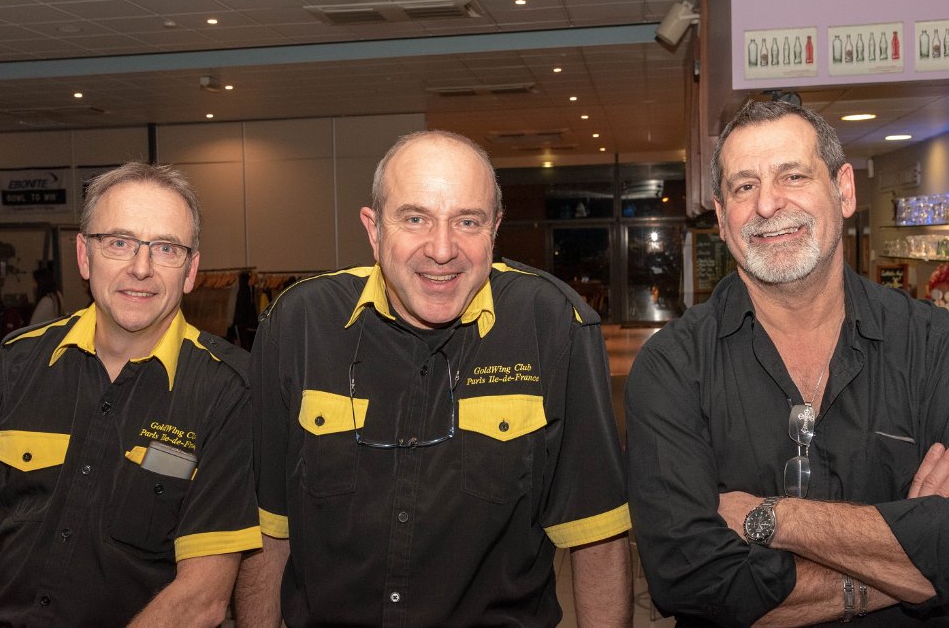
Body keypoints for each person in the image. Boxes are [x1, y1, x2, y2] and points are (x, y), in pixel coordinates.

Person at [234, 130, 632, 627]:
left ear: (494, 230)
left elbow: (596, 535)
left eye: (467, 221)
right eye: (415, 218)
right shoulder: (299, 325)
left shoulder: (552, 325)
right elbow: (268, 531)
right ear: (374, 230)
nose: (442, 250)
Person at [625, 99, 949, 626]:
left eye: (793, 176)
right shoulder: (672, 368)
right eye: (744, 187)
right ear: (722, 218)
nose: (768, 204)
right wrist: (910, 568)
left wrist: (773, 517)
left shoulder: (934, 346)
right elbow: (692, 579)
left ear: (844, 190)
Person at [0, 162, 261, 626]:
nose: (140, 268)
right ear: (84, 256)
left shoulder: (229, 390)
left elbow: (202, 597)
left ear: (190, 271)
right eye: (119, 243)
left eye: (166, 248)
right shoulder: (14, 366)